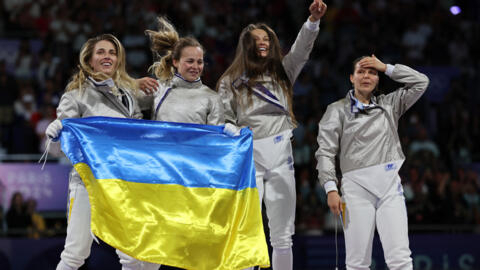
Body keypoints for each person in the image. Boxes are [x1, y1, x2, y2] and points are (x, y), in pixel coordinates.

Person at [216, 1, 327, 269]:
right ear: (247, 45)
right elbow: (222, 120)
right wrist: (236, 131)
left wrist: (312, 21)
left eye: (266, 38)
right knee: (247, 229)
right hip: (248, 158)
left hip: (281, 156)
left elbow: (302, 50)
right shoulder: (229, 81)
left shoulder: (283, 73)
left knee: (282, 234)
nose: (262, 43)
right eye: (256, 40)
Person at [45, 34, 156, 270]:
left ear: (118, 60)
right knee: (75, 254)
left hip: (122, 181)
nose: (107, 56)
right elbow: (61, 142)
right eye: (101, 52)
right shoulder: (75, 95)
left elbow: (142, 126)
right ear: (90, 60)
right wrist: (57, 129)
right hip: (89, 182)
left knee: (132, 255)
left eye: (112, 53)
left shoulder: (127, 95)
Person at [315, 55, 429, 270]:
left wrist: (386, 67)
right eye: (361, 71)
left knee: (401, 259)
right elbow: (325, 152)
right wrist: (330, 188)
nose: (366, 75)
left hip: (389, 188)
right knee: (357, 262)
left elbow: (421, 82)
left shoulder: (390, 104)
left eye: (372, 72)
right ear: (351, 78)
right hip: (355, 189)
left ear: (378, 79)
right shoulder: (337, 110)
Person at [139, 16, 224, 126]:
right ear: (175, 62)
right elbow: (123, 100)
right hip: (159, 143)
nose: (195, 66)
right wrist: (135, 84)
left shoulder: (212, 98)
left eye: (199, 62)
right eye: (190, 61)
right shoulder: (159, 88)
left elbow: (216, 137)